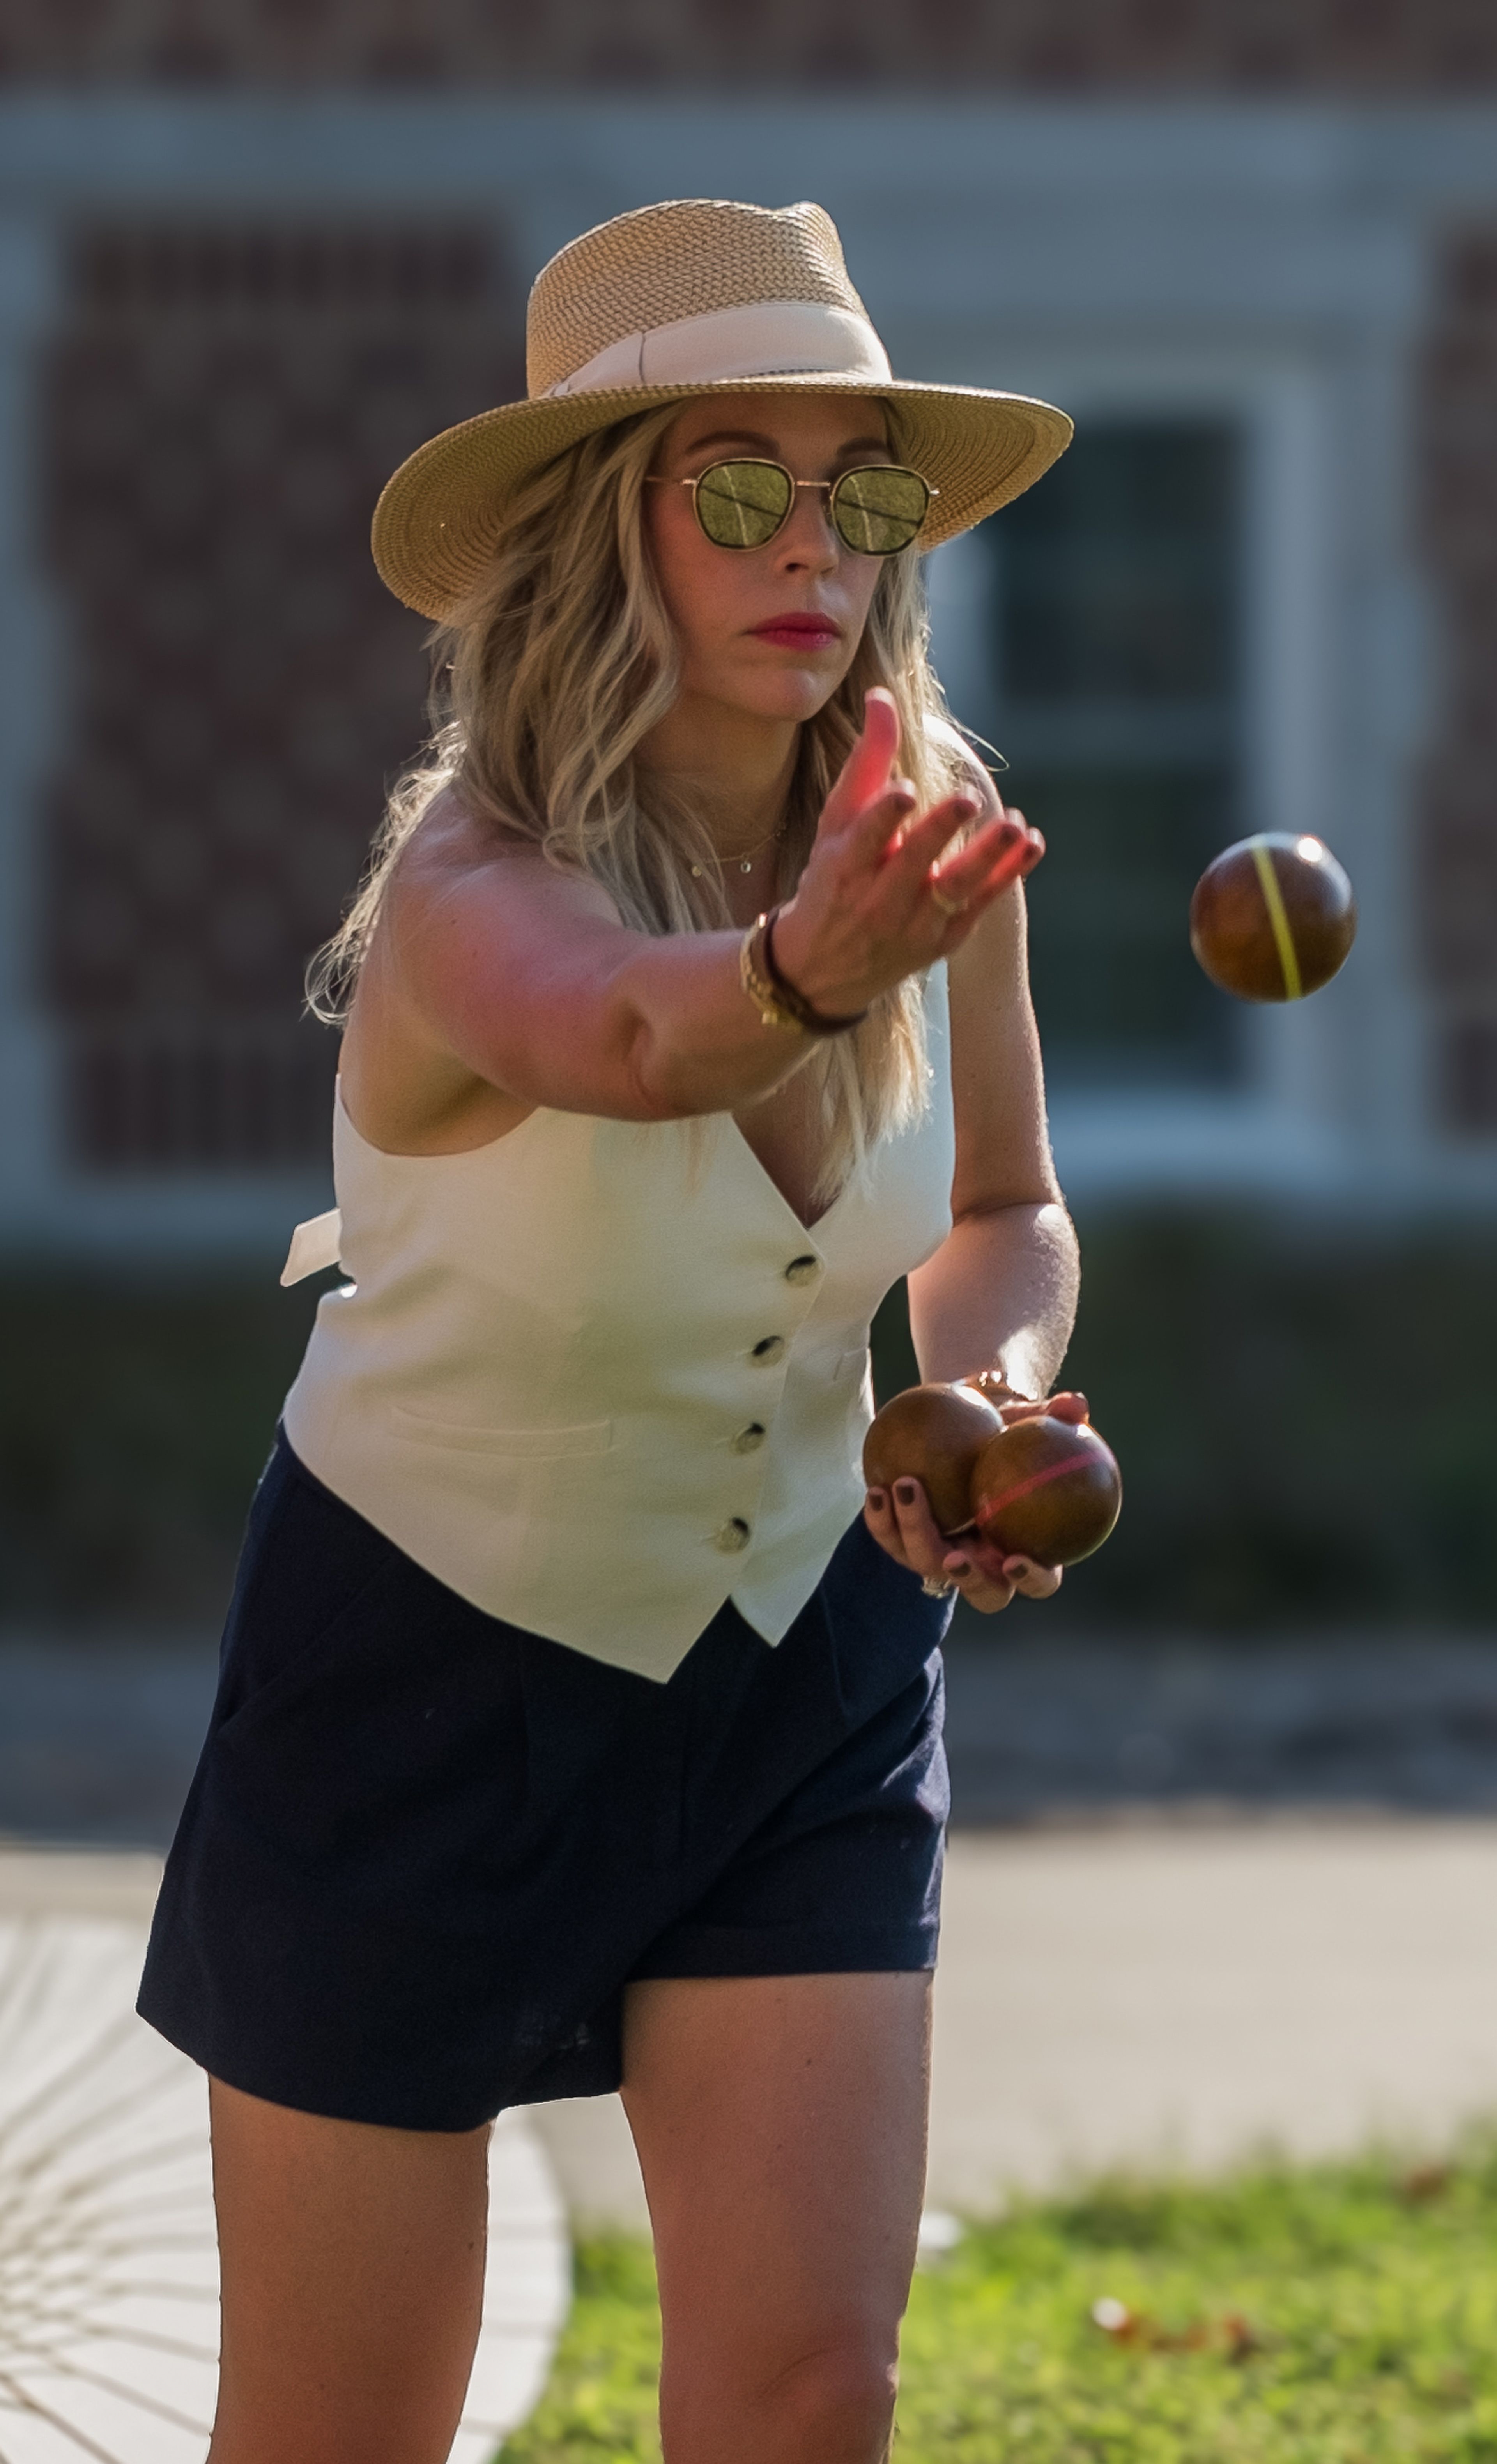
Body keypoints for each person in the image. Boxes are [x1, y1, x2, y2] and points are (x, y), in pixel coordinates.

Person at [139, 197, 1083, 2464]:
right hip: (420, 1673)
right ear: (597, 533)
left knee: (799, 2394)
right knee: (344, 2425)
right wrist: (804, 974)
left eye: (859, 491)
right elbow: (636, 1041)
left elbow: (1007, 1209)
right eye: (737, 481)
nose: (816, 545)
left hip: (808, 1665)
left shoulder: (925, 843)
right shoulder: (470, 892)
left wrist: (989, 1397)